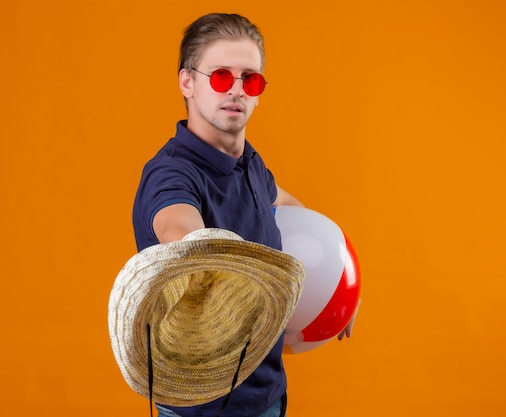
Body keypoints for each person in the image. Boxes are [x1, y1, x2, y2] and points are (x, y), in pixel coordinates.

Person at [132, 12, 355, 417]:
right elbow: (178, 229)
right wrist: (192, 245)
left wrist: (334, 286)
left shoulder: (249, 164)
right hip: (202, 410)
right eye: (220, 76)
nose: (235, 90)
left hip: (268, 395)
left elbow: (288, 207)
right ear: (188, 82)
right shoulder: (171, 174)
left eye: (249, 79)